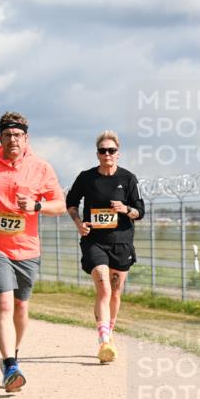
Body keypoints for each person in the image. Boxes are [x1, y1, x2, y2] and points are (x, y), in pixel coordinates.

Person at [0, 111, 65, 392]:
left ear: (26, 138)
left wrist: (36, 206)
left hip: (27, 249)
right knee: (4, 304)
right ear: (0, 138)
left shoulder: (41, 167)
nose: (12, 140)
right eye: (7, 135)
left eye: (17, 135)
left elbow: (59, 205)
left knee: (20, 307)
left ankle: (13, 354)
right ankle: (10, 366)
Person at [65, 130, 144, 363]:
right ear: (97, 154)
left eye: (111, 150)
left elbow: (140, 211)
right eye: (103, 150)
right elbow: (71, 203)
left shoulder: (128, 179)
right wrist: (79, 224)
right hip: (94, 241)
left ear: (118, 153)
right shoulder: (86, 178)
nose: (107, 154)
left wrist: (125, 209)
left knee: (116, 292)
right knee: (104, 288)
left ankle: (109, 334)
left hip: (121, 242)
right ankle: (104, 341)